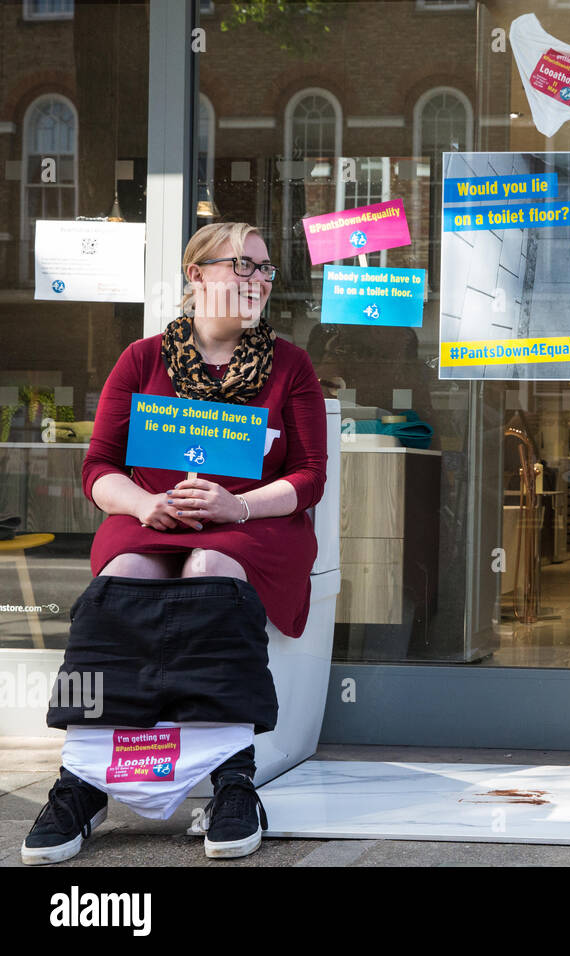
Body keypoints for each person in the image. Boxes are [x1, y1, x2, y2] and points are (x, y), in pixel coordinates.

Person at [22, 222, 327, 864]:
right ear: (197, 275)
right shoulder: (142, 359)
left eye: (266, 268)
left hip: (254, 524)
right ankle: (83, 777)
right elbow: (98, 466)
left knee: (210, 567)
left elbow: (309, 477)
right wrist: (144, 504)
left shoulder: (291, 365)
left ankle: (232, 778)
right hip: (150, 516)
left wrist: (237, 503)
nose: (259, 279)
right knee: (122, 576)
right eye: (243, 265)